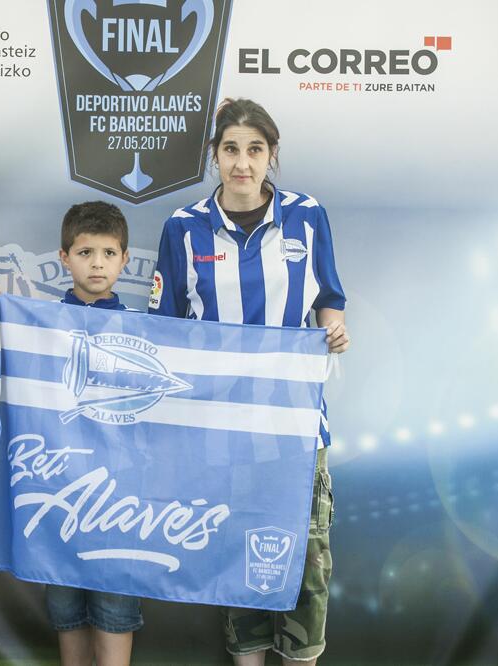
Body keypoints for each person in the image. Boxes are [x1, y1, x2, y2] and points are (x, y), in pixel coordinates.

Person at [147, 98, 350, 666]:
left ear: (272, 156)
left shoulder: (307, 216)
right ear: (215, 156)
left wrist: (334, 327)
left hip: (295, 425)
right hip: (221, 429)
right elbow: (165, 331)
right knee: (240, 561)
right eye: (231, 149)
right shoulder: (183, 228)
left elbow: (329, 300)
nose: (242, 163)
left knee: (307, 561)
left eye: (254, 150)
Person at [48, 201, 142, 666]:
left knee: (115, 608)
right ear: (64, 258)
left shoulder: (144, 332)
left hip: (122, 498)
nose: (98, 263)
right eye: (85, 252)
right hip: (60, 489)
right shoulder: (39, 327)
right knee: (66, 610)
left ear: (125, 259)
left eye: (109, 253)